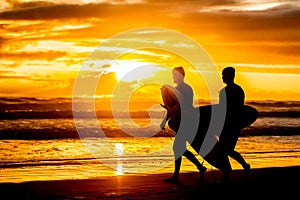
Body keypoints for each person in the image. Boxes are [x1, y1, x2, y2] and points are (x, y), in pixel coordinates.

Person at [162, 66, 207, 183]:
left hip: (186, 121)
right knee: (179, 148)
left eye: (174, 75)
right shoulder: (182, 89)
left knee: (178, 147)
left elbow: (179, 106)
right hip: (182, 121)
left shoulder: (185, 89)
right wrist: (164, 120)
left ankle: (178, 176)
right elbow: (172, 109)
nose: (173, 77)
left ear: (180, 76)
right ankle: (200, 167)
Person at [218, 66, 251, 182]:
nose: (222, 77)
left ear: (230, 76)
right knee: (225, 150)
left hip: (231, 125)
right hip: (231, 124)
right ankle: (229, 172)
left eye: (223, 75)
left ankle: (241, 167)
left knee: (227, 150)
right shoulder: (235, 90)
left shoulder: (234, 90)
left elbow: (228, 110)